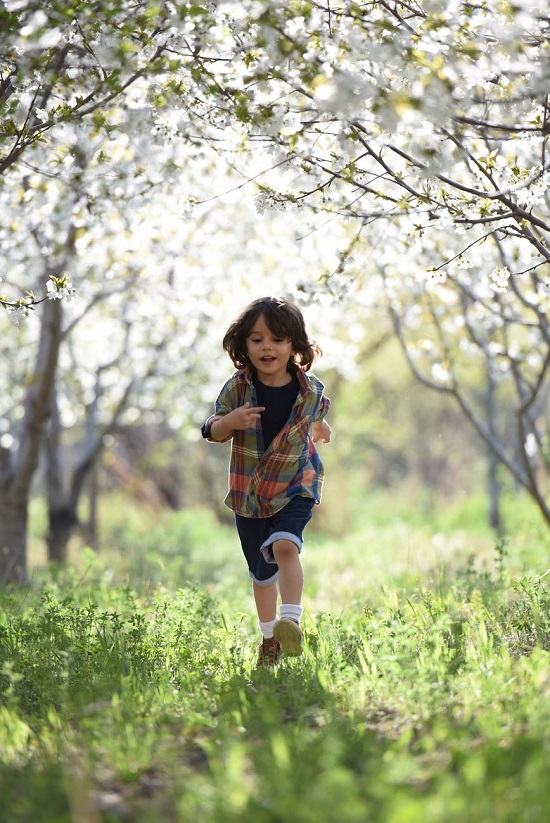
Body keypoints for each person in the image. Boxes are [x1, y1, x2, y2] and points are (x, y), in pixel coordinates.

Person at [201, 296, 331, 667]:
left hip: (296, 482)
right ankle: (269, 637)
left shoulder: (310, 389)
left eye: (277, 338)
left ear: (294, 346)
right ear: (244, 346)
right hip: (251, 494)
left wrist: (321, 428)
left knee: (286, 546)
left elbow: (316, 413)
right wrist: (228, 423)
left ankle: (291, 620)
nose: (267, 347)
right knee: (262, 573)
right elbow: (211, 427)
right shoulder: (238, 389)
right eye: (257, 339)